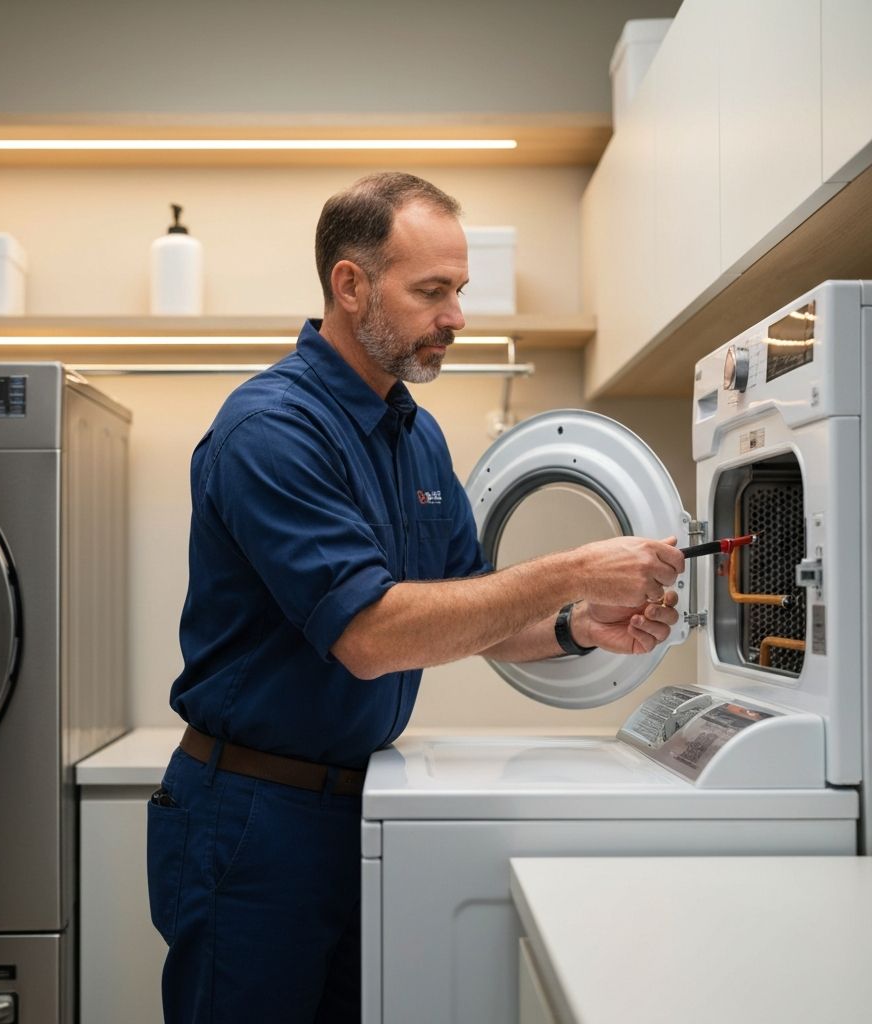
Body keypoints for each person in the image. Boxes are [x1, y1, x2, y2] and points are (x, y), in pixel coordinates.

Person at [147, 172, 684, 1024]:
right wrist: (574, 569)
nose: (457, 317)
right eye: (432, 291)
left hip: (363, 803)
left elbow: (474, 610)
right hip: (252, 820)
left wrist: (582, 628)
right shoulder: (271, 430)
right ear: (349, 284)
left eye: (460, 291)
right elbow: (370, 636)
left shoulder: (414, 432)